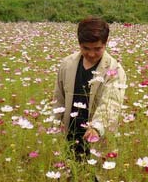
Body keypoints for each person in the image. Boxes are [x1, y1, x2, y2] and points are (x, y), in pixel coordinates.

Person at [53, 17, 126, 161]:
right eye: (86, 48)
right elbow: (58, 100)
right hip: (70, 136)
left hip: (96, 139)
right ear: (79, 44)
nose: (91, 54)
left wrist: (97, 127)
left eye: (97, 49)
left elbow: (111, 104)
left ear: (105, 44)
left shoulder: (114, 69)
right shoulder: (67, 65)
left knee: (94, 178)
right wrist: (54, 127)